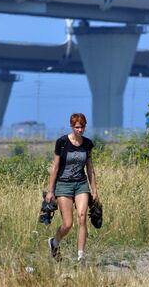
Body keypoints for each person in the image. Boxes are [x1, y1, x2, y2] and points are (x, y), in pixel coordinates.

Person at [46, 113, 98, 263]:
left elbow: (90, 168)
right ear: (72, 126)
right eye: (77, 127)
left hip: (81, 183)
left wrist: (94, 190)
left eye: (82, 127)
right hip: (63, 184)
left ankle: (81, 256)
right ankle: (54, 243)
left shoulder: (87, 144)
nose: (80, 130)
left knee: (82, 217)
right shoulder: (62, 142)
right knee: (68, 224)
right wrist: (50, 191)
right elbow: (55, 167)